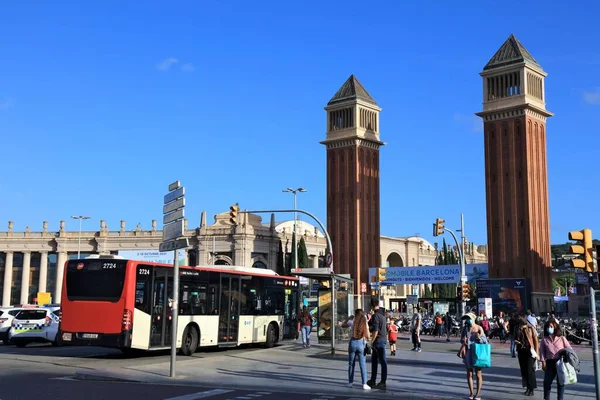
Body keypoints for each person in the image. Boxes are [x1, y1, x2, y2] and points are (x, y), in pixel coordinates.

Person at [540, 319, 572, 400]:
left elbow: (569, 349)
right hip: (550, 363)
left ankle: (560, 398)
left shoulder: (561, 338)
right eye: (547, 327)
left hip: (560, 362)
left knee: (560, 383)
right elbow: (542, 352)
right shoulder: (544, 339)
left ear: (555, 327)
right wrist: (543, 362)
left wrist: (565, 355)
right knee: (547, 382)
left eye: (551, 326)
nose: (549, 328)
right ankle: (546, 398)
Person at [458, 312, 487, 400]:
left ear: (473, 319)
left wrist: (479, 338)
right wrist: (463, 340)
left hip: (477, 352)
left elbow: (485, 341)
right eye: (466, 318)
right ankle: (471, 393)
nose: (467, 320)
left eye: (469, 318)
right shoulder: (465, 329)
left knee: (478, 373)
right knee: (469, 373)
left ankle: (478, 394)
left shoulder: (479, 328)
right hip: (468, 352)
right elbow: (461, 340)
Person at [347, 309, 371, 390]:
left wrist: (348, 318)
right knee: (362, 364)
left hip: (353, 343)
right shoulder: (364, 322)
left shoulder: (352, 322)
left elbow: (342, 324)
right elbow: (367, 334)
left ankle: (350, 382)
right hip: (361, 343)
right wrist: (368, 340)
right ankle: (364, 383)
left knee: (351, 364)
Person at [516, 313, 539, 396]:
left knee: (530, 371)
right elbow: (516, 338)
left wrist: (537, 353)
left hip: (530, 352)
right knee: (524, 370)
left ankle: (531, 388)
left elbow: (536, 341)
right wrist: (517, 341)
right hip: (521, 351)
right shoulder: (518, 329)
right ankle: (527, 388)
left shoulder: (530, 328)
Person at [366, 298, 388, 390]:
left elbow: (375, 330)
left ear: (371, 305)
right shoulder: (382, 315)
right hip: (383, 339)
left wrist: (371, 341)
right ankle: (373, 380)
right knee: (376, 361)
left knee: (381, 361)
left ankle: (382, 381)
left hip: (378, 341)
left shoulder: (376, 316)